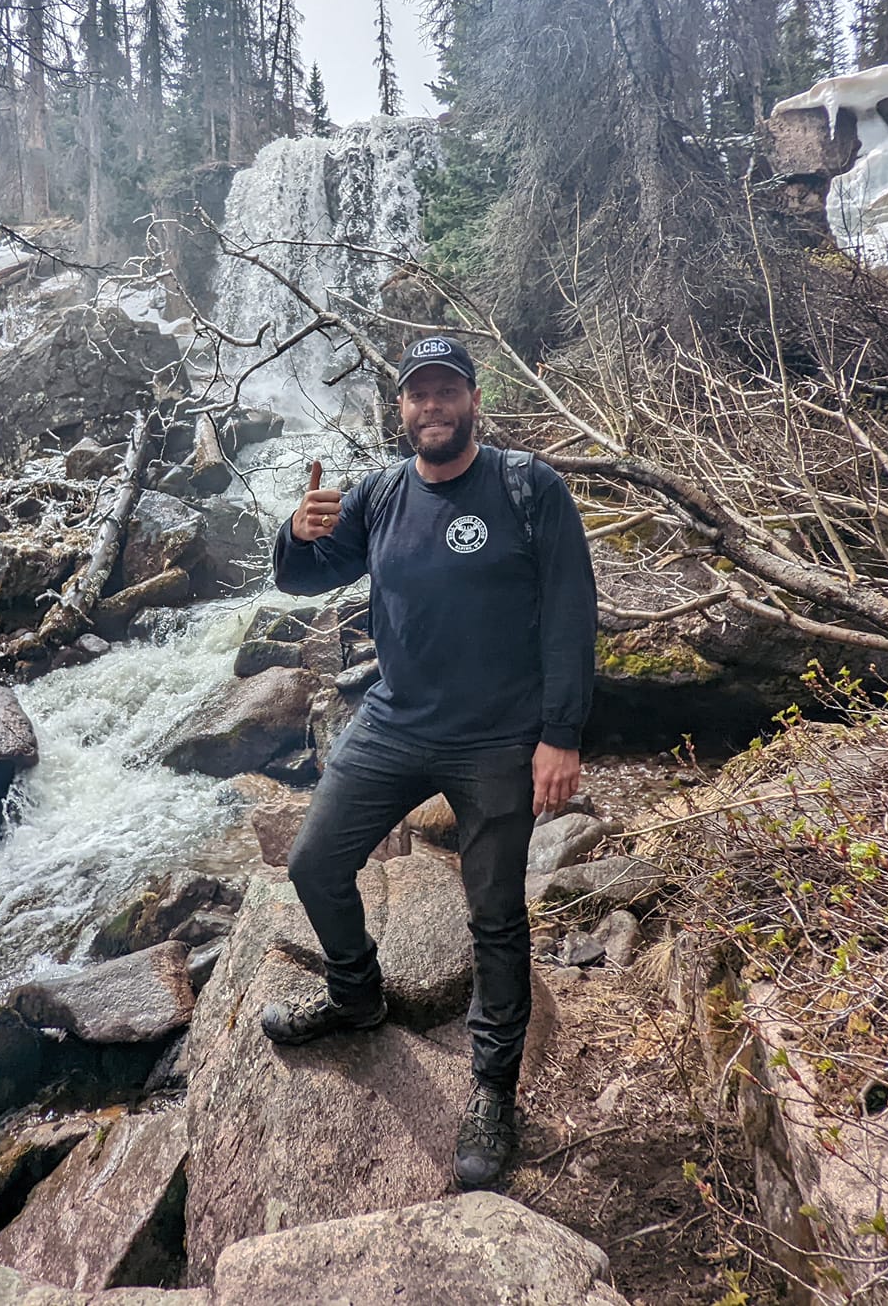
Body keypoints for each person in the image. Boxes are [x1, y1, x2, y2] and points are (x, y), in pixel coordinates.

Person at [265, 334, 597, 1190]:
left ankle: (491, 1092)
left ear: (473, 402)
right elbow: (304, 579)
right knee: (313, 864)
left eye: (447, 391)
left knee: (495, 919)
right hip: (395, 721)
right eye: (419, 394)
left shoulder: (530, 489)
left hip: (498, 739)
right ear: (402, 408)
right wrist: (295, 536)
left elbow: (569, 615)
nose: (432, 407)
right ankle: (355, 995)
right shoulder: (378, 497)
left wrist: (560, 735)